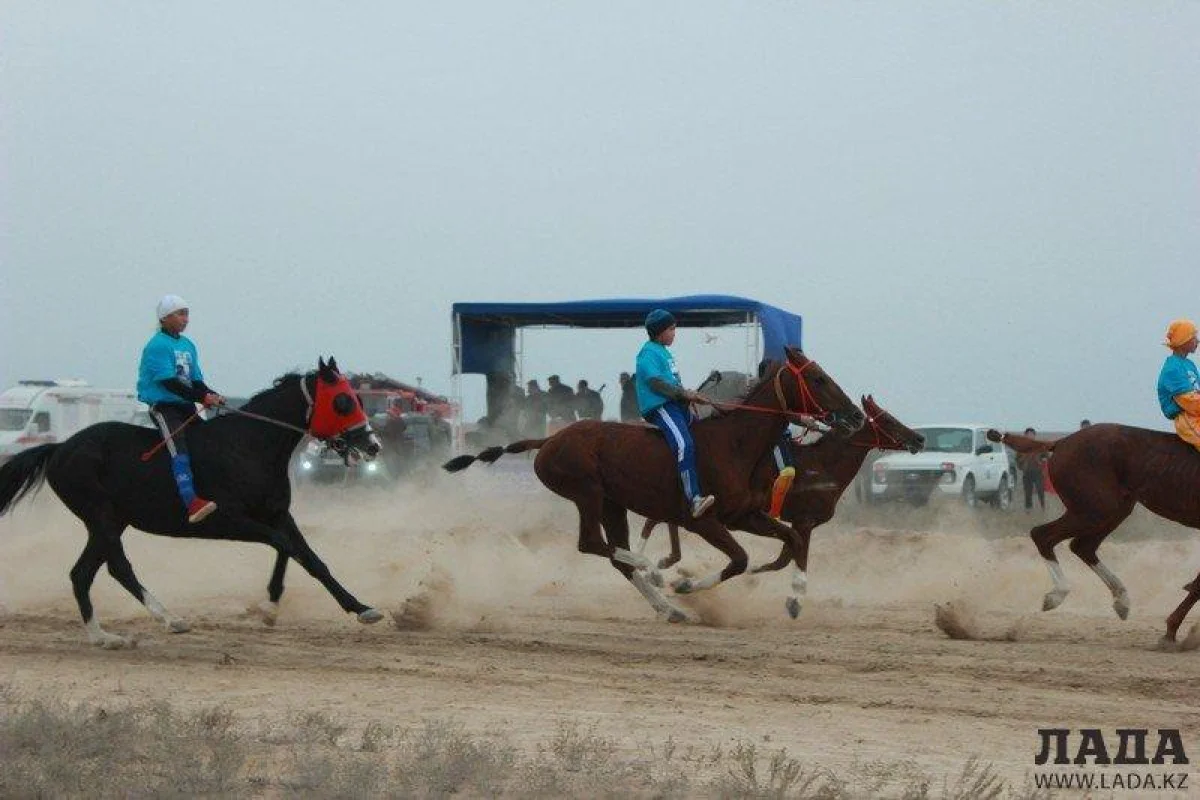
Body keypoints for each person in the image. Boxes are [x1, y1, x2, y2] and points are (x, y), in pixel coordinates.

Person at [137, 295, 225, 523]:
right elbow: (169, 382)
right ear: (165, 318)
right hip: (164, 406)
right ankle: (190, 502)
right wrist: (202, 396)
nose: (186, 319)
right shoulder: (157, 346)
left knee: (207, 442)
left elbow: (195, 380)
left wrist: (211, 394)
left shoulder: (188, 345)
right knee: (180, 448)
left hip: (185, 405)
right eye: (180, 314)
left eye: (187, 313)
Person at [635, 309, 715, 518]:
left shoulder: (663, 351)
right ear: (660, 331)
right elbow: (656, 383)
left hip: (676, 405)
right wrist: (684, 394)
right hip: (661, 407)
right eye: (671, 329)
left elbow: (673, 383)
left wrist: (688, 397)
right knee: (683, 444)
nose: (674, 333)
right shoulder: (648, 353)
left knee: (705, 432)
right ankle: (694, 499)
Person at [757, 359, 797, 519]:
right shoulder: (761, 396)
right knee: (788, 471)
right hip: (772, 439)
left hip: (785, 437)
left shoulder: (778, 394)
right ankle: (773, 514)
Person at [1157, 319, 1200, 451]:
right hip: (1186, 418)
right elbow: (1188, 402)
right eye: (1193, 338)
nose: (1197, 341)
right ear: (1183, 341)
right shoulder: (1172, 368)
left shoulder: (1189, 364)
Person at [1018, 426, 1047, 511]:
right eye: (1028, 434)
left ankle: (1043, 508)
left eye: (1032, 434)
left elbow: (1046, 457)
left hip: (1038, 472)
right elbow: (1017, 460)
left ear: (1034, 435)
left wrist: (1042, 461)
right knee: (1028, 493)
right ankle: (1028, 511)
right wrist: (1022, 466)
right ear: (1025, 435)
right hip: (1027, 473)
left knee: (1040, 491)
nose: (1030, 436)